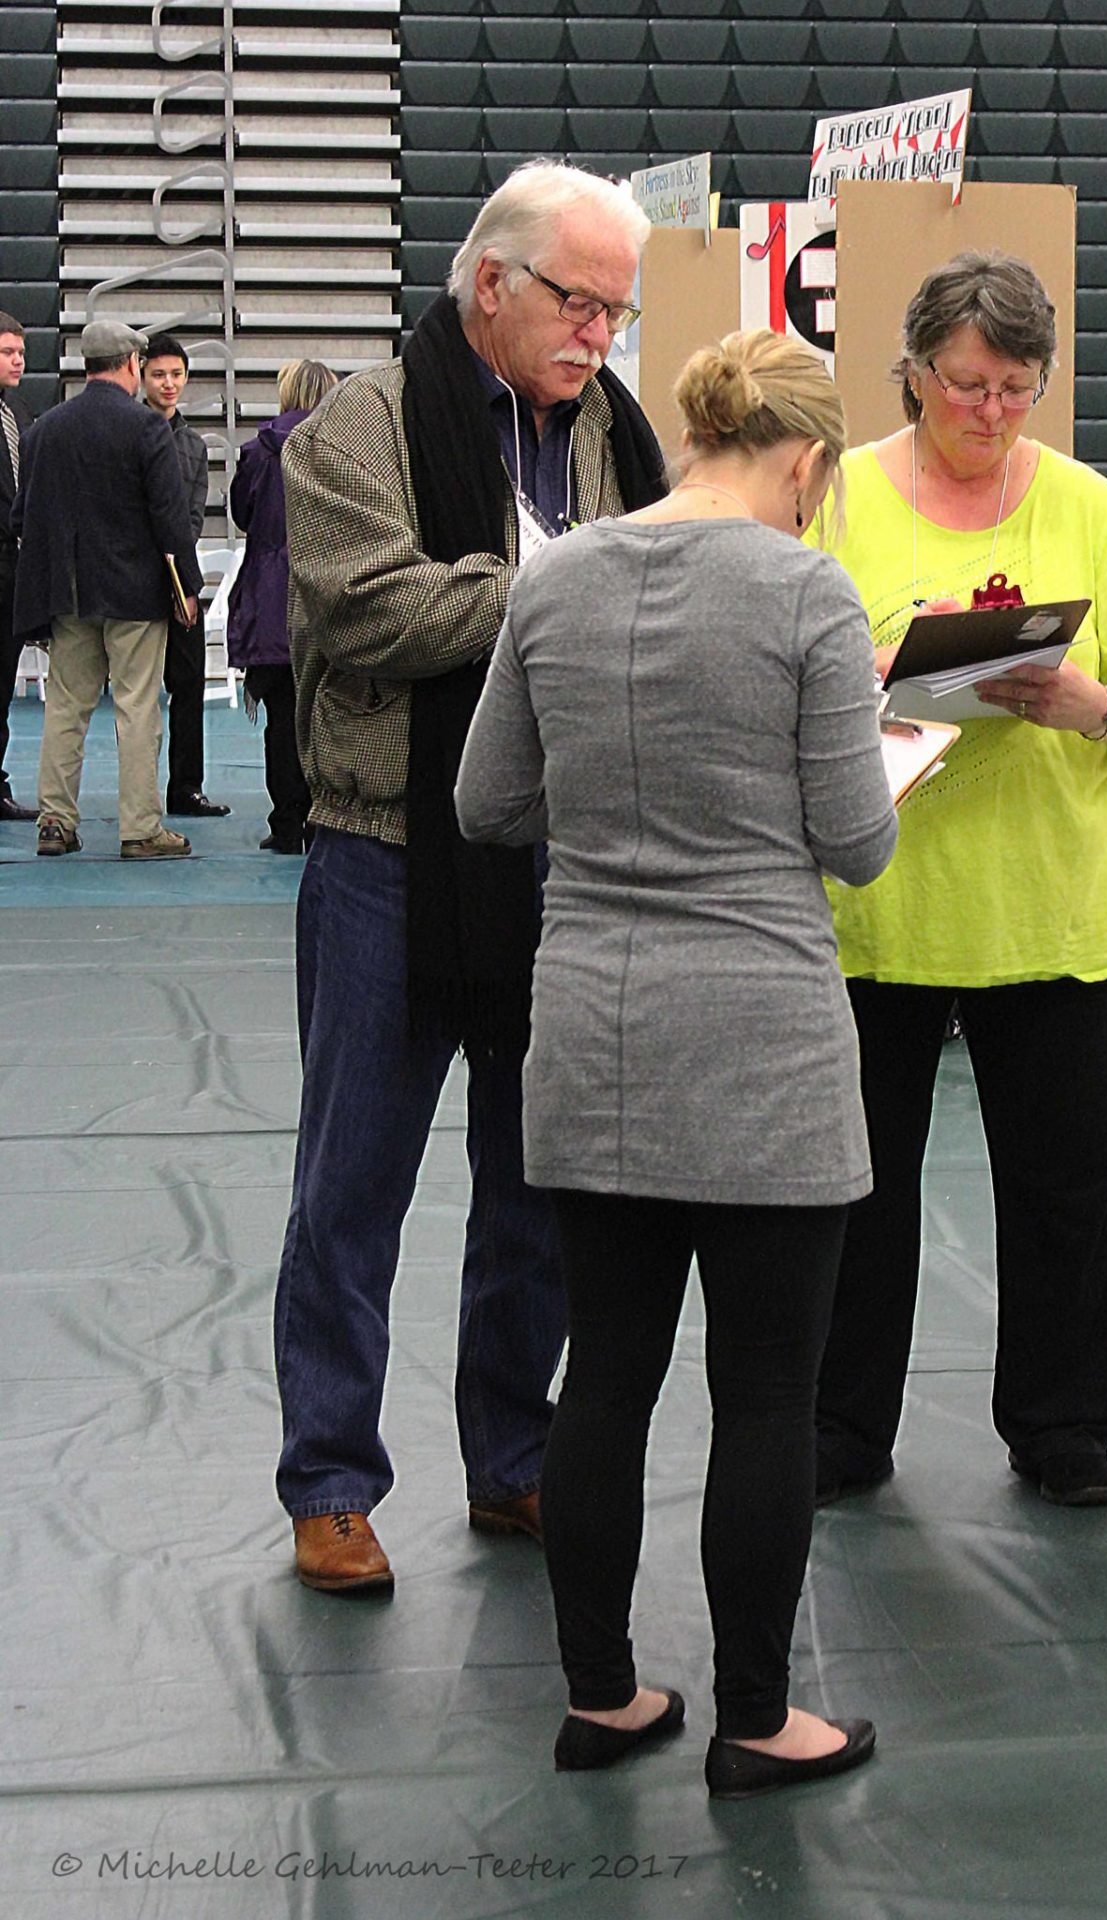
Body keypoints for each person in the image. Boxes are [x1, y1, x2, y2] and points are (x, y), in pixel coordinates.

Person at [455, 328, 895, 1798]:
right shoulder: (808, 591)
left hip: (593, 1029)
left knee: (603, 1380)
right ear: (808, 463)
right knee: (766, 1396)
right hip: (763, 1039)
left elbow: (487, 801)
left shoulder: (556, 578)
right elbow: (857, 841)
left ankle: (602, 1698)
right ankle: (757, 1719)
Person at [273, 162, 667, 1596]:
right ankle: (330, 1481)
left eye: (618, 312)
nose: (600, 336)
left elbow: (654, 598)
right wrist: (570, 581)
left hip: (565, 858)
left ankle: (513, 1456)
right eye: (580, 302)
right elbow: (366, 608)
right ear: (491, 283)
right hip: (387, 854)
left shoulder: (615, 434)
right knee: (352, 1185)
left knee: (541, 1185)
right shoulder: (362, 423)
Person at [811, 251, 1107, 1510]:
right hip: (883, 899)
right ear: (915, 370)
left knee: (1072, 1187)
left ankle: (1064, 1426)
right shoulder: (843, 498)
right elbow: (786, 666)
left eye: (1019, 389)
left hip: (1053, 900)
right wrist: (875, 679)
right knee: (857, 1186)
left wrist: (1093, 705)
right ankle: (841, 1427)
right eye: (968, 384)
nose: (992, 411)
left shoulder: (1087, 505)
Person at [14, 317, 202, 860]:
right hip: (136, 594)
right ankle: (140, 828)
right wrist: (187, 587)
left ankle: (55, 821)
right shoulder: (147, 429)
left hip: (69, 592)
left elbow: (23, 517)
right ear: (131, 364)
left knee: (65, 708)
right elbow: (170, 518)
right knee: (137, 707)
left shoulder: (44, 429)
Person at [227, 358, 336, 853]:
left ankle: (287, 821)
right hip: (326, 590)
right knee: (329, 715)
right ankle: (324, 817)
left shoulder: (258, 451)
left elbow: (243, 513)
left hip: (270, 595)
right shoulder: (342, 446)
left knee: (282, 718)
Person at [140, 334, 229, 821]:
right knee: (134, 694)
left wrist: (185, 586)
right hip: (132, 579)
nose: (168, 383)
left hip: (179, 576)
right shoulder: (130, 433)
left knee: (189, 683)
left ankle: (187, 787)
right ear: (142, 377)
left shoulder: (193, 445)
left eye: (176, 374)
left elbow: (191, 521)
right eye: (159, 375)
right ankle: (138, 792)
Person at [0, 309, 36, 821]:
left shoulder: (19, 412)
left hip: (11, 568)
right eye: (7, 352)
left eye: (21, 353)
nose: (18, 361)